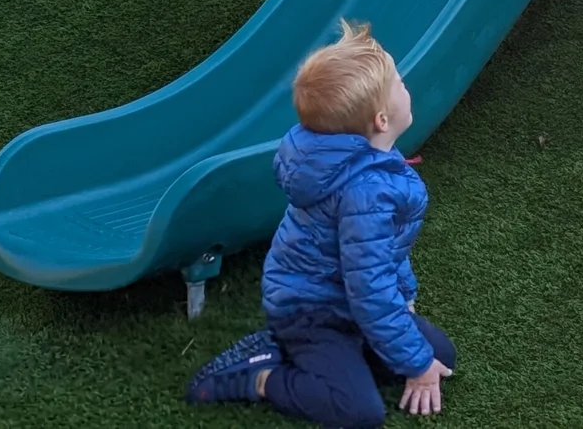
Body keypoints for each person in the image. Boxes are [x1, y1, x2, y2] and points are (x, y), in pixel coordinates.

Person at [185, 22, 455, 426]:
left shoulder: (364, 156)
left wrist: (406, 296)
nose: (405, 84)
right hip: (311, 310)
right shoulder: (364, 190)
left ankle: (329, 356)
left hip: (345, 299)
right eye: (399, 81)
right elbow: (369, 288)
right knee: (360, 411)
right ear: (382, 120)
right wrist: (415, 363)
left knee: (442, 356)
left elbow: (381, 253)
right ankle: (259, 375)